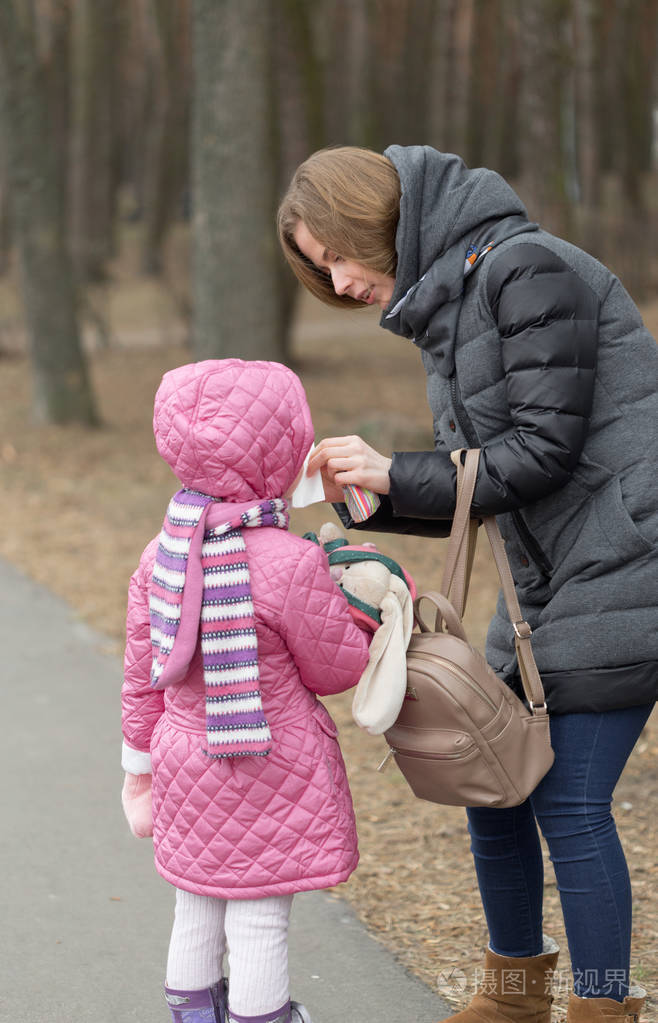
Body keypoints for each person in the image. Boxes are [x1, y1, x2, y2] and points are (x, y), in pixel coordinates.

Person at [278, 145, 658, 1023]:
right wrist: (372, 495)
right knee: (490, 779)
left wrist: (396, 466)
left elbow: (542, 451)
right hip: (546, 584)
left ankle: (603, 1008)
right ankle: (515, 996)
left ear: (375, 218)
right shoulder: (453, 304)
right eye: (320, 269)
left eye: (337, 255)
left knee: (569, 799)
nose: (339, 281)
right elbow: (481, 482)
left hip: (629, 563)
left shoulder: (528, 271)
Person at [120, 358, 371, 1023]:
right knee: (259, 920)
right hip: (273, 765)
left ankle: (194, 1016)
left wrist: (138, 768)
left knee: (195, 906)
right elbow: (336, 670)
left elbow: (141, 675)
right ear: (281, 448)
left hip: (183, 762)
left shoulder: (160, 556)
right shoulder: (291, 561)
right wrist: (362, 617)